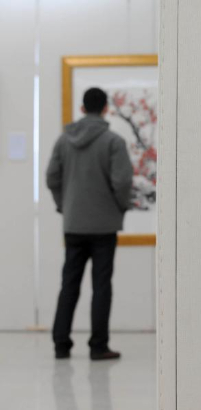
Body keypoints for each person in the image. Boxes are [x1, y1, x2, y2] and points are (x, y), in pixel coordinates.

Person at [46, 87, 133, 360]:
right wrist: (120, 206)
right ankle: (98, 346)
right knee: (101, 286)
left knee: (69, 284)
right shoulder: (114, 142)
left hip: (73, 224)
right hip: (104, 226)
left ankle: (61, 344)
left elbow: (51, 178)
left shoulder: (64, 141)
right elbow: (122, 182)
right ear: (106, 108)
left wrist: (64, 205)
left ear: (82, 108)